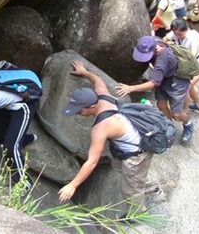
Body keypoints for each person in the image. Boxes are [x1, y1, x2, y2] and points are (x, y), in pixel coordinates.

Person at [58, 61, 159, 213]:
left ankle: (139, 213)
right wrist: (84, 72)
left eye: (79, 110)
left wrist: (72, 185)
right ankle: (148, 186)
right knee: (119, 167)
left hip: (138, 154)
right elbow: (98, 80)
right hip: (133, 142)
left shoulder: (101, 128)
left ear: (92, 107)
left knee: (129, 191)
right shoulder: (102, 95)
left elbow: (92, 161)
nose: (78, 113)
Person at [116, 36, 193, 143]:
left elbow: (153, 83)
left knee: (177, 114)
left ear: (155, 50)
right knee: (161, 104)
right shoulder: (151, 41)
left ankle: (188, 124)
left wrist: (130, 88)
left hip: (176, 80)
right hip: (163, 78)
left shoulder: (163, 57)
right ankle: (169, 126)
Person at [164, 18, 199, 113]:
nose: (177, 37)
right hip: (185, 62)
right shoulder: (176, 32)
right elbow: (165, 39)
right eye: (176, 34)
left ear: (186, 29)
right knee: (190, 86)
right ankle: (198, 105)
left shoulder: (193, 38)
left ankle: (184, 110)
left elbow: (189, 59)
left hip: (196, 63)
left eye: (180, 35)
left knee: (186, 86)